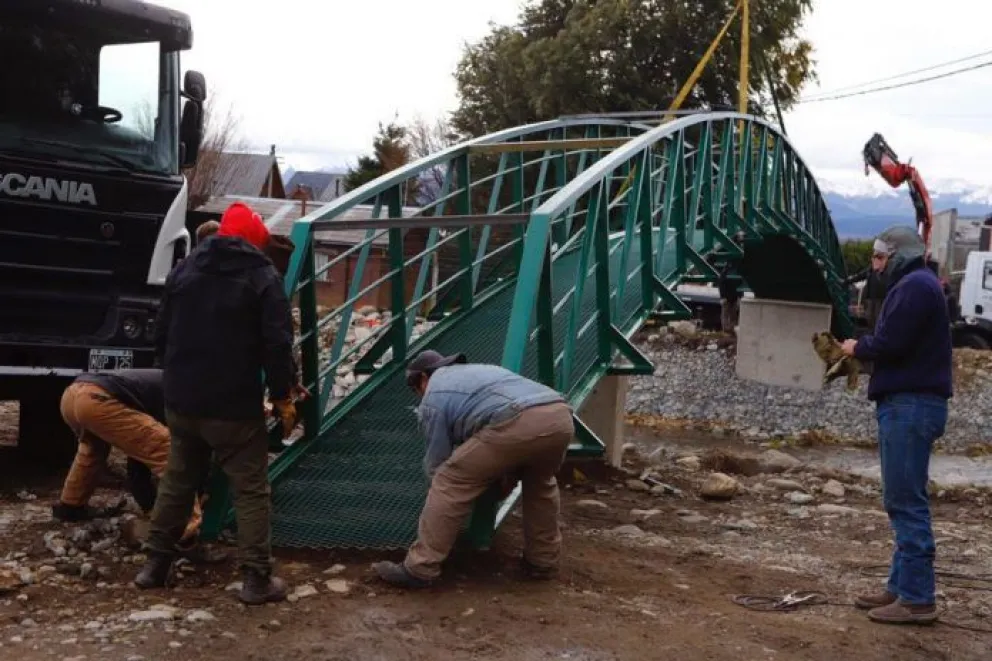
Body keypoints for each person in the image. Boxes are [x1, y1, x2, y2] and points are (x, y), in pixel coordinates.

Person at [134, 201, 298, 605]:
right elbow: (277, 344)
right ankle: (256, 579)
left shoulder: (185, 269)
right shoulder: (263, 276)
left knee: (178, 478)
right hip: (233, 407)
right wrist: (283, 395)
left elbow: (161, 332)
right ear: (254, 241)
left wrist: (174, 376)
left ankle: (155, 565)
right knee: (251, 490)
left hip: (183, 400)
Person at [373, 350, 575, 589]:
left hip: (516, 421)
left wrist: (440, 494)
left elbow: (437, 461)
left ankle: (420, 567)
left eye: (415, 388)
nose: (419, 395)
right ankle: (542, 563)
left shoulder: (434, 396)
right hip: (559, 415)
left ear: (423, 378)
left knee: (449, 481)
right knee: (540, 484)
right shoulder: (481, 371)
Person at [841, 225, 952, 625]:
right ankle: (900, 587)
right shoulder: (919, 284)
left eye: (878, 256)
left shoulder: (913, 287)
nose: (874, 264)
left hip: (910, 404)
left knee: (905, 502)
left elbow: (890, 343)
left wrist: (856, 347)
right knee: (904, 497)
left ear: (897, 255)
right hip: (912, 404)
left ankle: (918, 599)